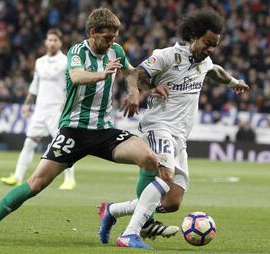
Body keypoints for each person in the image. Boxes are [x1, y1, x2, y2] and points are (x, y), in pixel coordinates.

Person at [0, 8, 169, 250]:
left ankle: (145, 222)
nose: (112, 43)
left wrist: (141, 90)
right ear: (92, 32)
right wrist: (102, 74)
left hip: (104, 131)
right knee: (36, 183)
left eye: (115, 37)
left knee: (149, 159)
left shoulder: (116, 50)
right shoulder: (77, 52)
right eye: (107, 37)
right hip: (73, 131)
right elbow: (76, 76)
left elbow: (131, 73)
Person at [99, 9, 249, 249]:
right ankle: (130, 233)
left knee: (172, 202)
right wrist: (141, 92)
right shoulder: (167, 56)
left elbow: (215, 71)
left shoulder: (205, 61)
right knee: (165, 176)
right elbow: (137, 75)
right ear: (193, 36)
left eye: (215, 45)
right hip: (158, 126)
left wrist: (233, 82)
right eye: (208, 43)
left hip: (180, 136)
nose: (211, 49)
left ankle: (114, 210)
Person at [0, 29, 77, 190]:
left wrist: (67, 105)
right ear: (45, 42)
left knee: (63, 146)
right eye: (50, 40)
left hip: (57, 110)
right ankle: (17, 176)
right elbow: (35, 85)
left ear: (60, 42)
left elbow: (72, 86)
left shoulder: (66, 62)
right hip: (40, 110)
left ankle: (70, 179)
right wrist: (27, 103)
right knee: (29, 143)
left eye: (55, 40)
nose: (52, 43)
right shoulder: (39, 62)